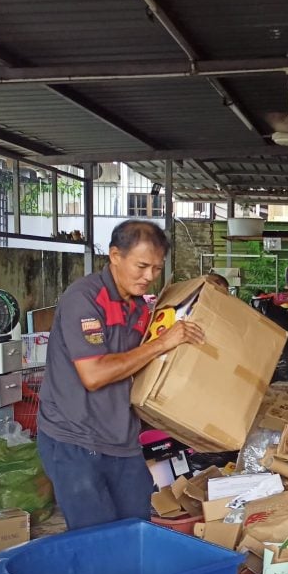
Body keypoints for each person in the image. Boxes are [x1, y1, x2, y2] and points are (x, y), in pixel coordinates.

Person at [36, 220, 205, 530]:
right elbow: (95, 375)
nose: (149, 277)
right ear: (115, 256)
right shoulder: (84, 300)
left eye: (156, 269)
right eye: (142, 266)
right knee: (95, 536)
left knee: (136, 527)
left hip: (120, 439)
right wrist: (161, 343)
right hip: (74, 438)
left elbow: (142, 366)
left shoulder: (141, 308)